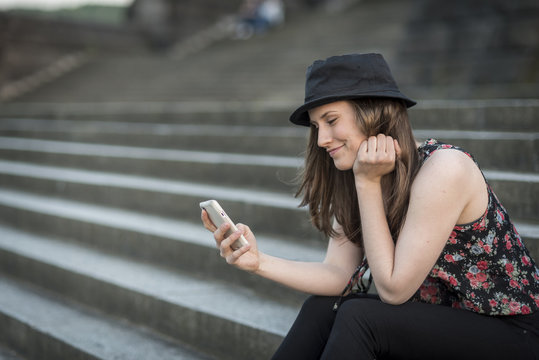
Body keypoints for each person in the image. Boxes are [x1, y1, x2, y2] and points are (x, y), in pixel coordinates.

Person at [201, 53, 539, 359]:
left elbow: (393, 289)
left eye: (331, 121)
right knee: (323, 309)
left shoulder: (445, 168)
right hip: (442, 326)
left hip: (513, 333)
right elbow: (338, 274)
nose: (321, 140)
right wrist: (258, 262)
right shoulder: (354, 173)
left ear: (372, 112)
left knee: (360, 317)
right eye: (317, 127)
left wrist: (367, 183)